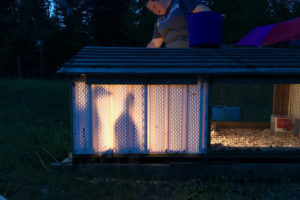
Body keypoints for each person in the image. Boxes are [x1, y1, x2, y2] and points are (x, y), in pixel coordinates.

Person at [145, 0, 211, 48]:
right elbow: (154, 43)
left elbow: (204, 13)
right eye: (152, 10)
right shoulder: (158, 21)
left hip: (191, 50)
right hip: (171, 56)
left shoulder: (180, 2)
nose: (155, 11)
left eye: (154, 6)